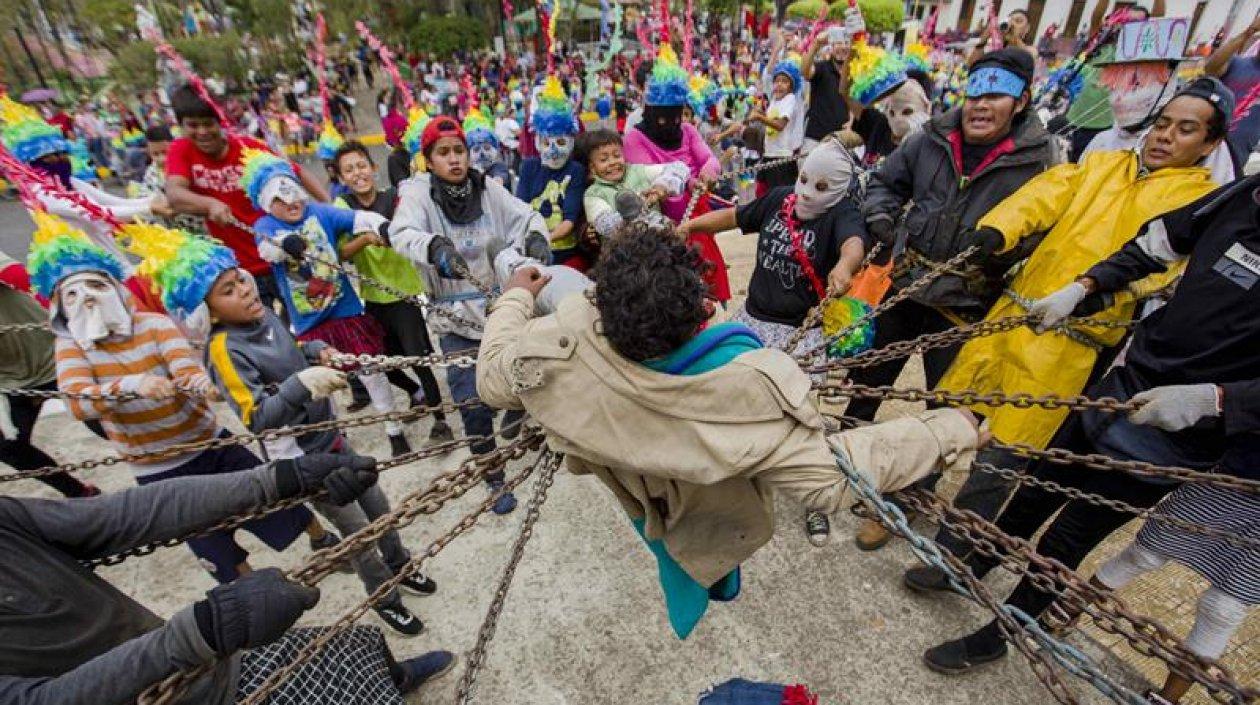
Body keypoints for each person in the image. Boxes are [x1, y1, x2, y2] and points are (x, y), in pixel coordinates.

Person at [475, 223, 987, 640]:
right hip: (709, 503)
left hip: (645, 492)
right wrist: (947, 429)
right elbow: (832, 479)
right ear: (701, 312)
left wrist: (516, 296)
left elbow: (492, 376)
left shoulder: (556, 358)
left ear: (603, 308)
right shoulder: (750, 391)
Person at [923, 134, 1260, 677]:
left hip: (1188, 423)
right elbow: (1155, 245)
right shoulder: (1241, 196)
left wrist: (1217, 401)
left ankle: (1004, 629)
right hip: (1133, 376)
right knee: (1035, 488)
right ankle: (973, 565)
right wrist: (1083, 287)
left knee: (1072, 532)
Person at [909, 81, 1228, 591]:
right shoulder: (1102, 165)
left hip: (1071, 343)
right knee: (949, 411)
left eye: (1185, 130)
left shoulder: (1199, 202)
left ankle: (952, 553)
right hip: (1015, 312)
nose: (1166, 136)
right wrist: (999, 229)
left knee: (1004, 453)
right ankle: (902, 498)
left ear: (1209, 144)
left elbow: (1165, 268)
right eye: (1163, 123)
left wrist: (1100, 296)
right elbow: (1045, 194)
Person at [0, 449, 456, 704]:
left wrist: (279, 479)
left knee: (354, 645)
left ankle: (396, 679)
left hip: (206, 663)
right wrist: (204, 630)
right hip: (174, 679)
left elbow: (118, 515)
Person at [32, 213, 326, 584]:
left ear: (115, 288)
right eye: (72, 295)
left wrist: (206, 386)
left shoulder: (154, 325)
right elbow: (77, 403)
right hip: (157, 469)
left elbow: (186, 369)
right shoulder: (72, 347)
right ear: (59, 305)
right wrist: (131, 385)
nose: (87, 300)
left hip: (208, 443)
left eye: (95, 286)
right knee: (214, 546)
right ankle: (255, 592)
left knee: (275, 497)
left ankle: (321, 538)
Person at [848, 48, 1057, 550]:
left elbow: (1046, 227)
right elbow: (884, 183)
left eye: (996, 95)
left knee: (946, 409)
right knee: (867, 379)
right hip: (906, 286)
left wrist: (1004, 249)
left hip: (968, 304)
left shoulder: (1040, 159)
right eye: (975, 92)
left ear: (1022, 101)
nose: (980, 105)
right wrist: (884, 221)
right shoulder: (930, 138)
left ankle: (906, 500)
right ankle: (846, 464)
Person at [680, 137, 869, 546]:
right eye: (805, 179)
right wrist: (692, 226)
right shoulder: (781, 198)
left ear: (838, 189)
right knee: (739, 398)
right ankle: (738, 477)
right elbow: (735, 216)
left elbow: (853, 243)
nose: (808, 192)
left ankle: (816, 500)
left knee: (803, 416)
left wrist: (844, 266)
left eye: (822, 186)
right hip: (755, 320)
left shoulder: (842, 214)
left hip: (800, 332)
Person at [388, 115, 553, 516]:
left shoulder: (487, 188)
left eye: (459, 151)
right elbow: (400, 233)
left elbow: (526, 216)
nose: (454, 159)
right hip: (455, 318)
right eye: (443, 153)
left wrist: (536, 237)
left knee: (525, 372)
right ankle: (493, 476)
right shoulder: (418, 194)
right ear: (429, 159)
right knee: (472, 404)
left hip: (499, 307)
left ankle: (515, 410)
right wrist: (434, 248)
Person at [242, 148, 414, 456]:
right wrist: (286, 243)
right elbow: (267, 249)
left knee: (371, 372)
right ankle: (336, 439)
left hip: (345, 312)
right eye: (280, 199)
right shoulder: (265, 226)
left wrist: (381, 227)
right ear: (267, 203)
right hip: (310, 324)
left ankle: (394, 429)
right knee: (321, 387)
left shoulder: (320, 213)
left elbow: (357, 218)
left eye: (293, 194)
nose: (291, 203)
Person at [164, 84, 330, 313]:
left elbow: (296, 172)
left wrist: (329, 206)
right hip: (240, 272)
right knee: (264, 328)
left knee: (308, 317)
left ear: (221, 122)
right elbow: (174, 194)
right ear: (182, 126)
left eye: (208, 124)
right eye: (193, 125)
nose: (202, 132)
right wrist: (209, 204)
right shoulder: (181, 150)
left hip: (280, 255)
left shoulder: (247, 148)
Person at [330, 140, 454, 444]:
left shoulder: (395, 198)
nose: (357, 173)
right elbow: (341, 253)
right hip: (373, 297)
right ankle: (416, 393)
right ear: (341, 178)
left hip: (405, 295)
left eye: (361, 166)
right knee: (381, 362)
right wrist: (366, 239)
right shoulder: (343, 208)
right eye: (349, 170)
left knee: (419, 359)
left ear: (373, 168)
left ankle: (441, 423)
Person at [623, 44, 729, 303]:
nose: (670, 124)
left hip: (697, 215)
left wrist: (707, 174)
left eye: (676, 116)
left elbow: (709, 159)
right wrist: (690, 181)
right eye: (662, 119)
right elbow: (652, 176)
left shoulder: (688, 131)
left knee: (707, 277)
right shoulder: (635, 138)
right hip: (662, 223)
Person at [0, 250, 99, 497]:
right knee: (6, 445)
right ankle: (79, 494)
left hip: (55, 354)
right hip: (10, 380)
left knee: (102, 422)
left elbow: (18, 275)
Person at [516, 76, 587, 269]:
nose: (553, 151)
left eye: (561, 142)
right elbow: (520, 211)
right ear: (538, 142)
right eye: (547, 143)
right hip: (531, 252)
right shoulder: (529, 167)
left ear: (571, 141)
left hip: (565, 254)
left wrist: (544, 239)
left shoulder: (575, 170)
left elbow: (569, 220)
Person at [579, 128, 689, 239]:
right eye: (604, 160)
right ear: (592, 168)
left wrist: (662, 186)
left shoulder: (638, 172)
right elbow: (607, 225)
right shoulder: (593, 194)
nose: (612, 162)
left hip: (659, 241)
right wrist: (638, 206)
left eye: (617, 156)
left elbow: (679, 167)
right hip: (624, 248)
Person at [1204, 14, 1260, 167]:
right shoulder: (1236, 63)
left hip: (1234, 156)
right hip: (1203, 141)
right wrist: (1248, 32)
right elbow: (1210, 68)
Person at [747, 60, 805, 192]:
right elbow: (770, 120)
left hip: (782, 157)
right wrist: (761, 113)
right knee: (761, 192)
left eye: (784, 81)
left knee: (778, 197)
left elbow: (780, 125)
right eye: (777, 80)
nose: (779, 84)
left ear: (791, 86)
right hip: (769, 154)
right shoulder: (774, 100)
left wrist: (759, 117)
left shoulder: (790, 99)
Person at [801, 28, 851, 153]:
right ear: (831, 47)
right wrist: (816, 44)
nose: (843, 47)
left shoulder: (854, 73)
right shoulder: (822, 67)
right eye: (839, 43)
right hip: (815, 139)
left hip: (841, 141)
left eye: (846, 43)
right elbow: (805, 72)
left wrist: (852, 121)